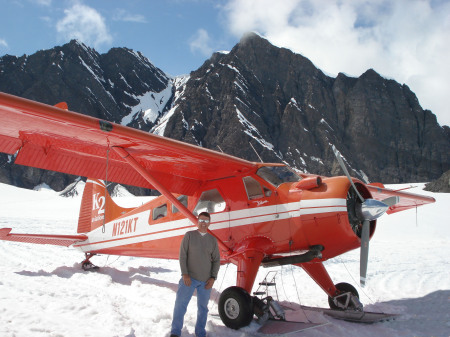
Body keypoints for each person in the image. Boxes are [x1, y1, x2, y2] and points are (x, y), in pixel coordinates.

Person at [170, 212, 221, 337]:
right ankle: (175, 332)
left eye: (206, 221)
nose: (204, 223)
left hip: (206, 281)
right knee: (180, 306)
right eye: (201, 220)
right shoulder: (189, 236)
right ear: (197, 221)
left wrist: (213, 278)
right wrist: (185, 274)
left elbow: (216, 260)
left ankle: (200, 333)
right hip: (189, 279)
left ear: (210, 223)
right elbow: (183, 256)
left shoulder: (212, 240)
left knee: (203, 309)